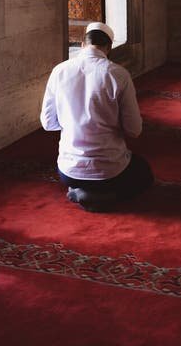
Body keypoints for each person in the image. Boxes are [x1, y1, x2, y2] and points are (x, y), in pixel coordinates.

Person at [40, 21, 153, 211]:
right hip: (109, 171)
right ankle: (102, 197)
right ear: (108, 48)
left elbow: (48, 123)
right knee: (144, 174)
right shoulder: (118, 74)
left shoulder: (59, 71)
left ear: (83, 44)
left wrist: (75, 123)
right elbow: (134, 130)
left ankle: (82, 191)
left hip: (68, 171)